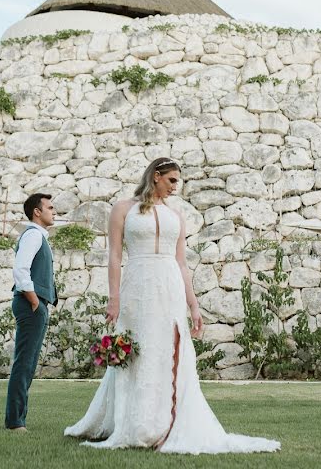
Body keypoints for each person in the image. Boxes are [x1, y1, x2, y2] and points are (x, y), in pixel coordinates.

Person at [64, 158, 280, 454]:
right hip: (137, 286)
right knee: (137, 351)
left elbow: (181, 263)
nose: (175, 187)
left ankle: (166, 423)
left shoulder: (175, 215)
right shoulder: (123, 209)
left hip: (169, 289)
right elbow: (114, 256)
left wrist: (194, 306)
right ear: (156, 177)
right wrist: (113, 298)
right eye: (172, 180)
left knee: (167, 351)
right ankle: (135, 422)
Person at [4, 193, 58, 432]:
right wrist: (34, 300)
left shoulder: (39, 236)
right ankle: (15, 422)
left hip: (36, 305)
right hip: (30, 304)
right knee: (24, 363)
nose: (54, 211)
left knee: (28, 363)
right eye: (50, 207)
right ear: (37, 211)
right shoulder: (34, 235)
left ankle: (17, 419)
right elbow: (21, 269)